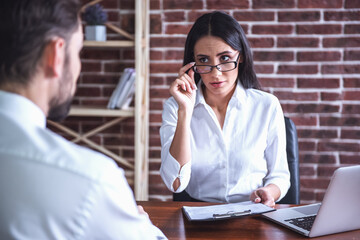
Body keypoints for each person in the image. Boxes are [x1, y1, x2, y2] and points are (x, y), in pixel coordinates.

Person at [0, 0, 166, 239]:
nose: (78, 67)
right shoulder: (91, 181)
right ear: (55, 55)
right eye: (78, 51)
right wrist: (144, 226)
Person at [160, 11, 290, 208]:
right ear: (191, 64)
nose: (215, 72)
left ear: (242, 57)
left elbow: (280, 176)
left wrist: (268, 192)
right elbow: (175, 184)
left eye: (225, 58)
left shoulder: (267, 105)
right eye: (204, 60)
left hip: (253, 210)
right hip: (198, 214)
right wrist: (185, 112)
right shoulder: (175, 107)